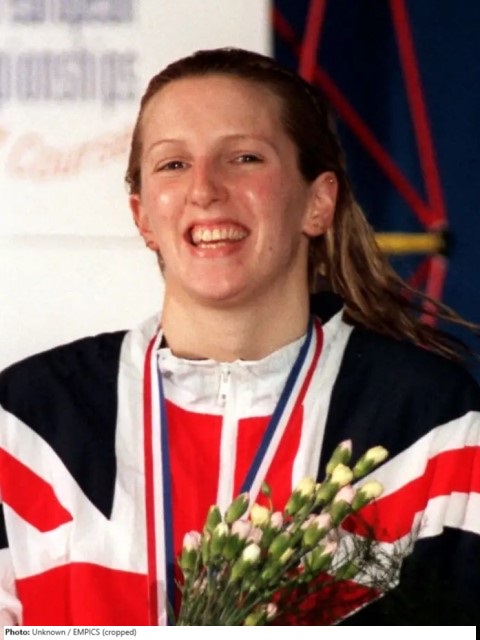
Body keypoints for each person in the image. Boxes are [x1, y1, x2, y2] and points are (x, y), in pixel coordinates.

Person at [0, 47, 479, 626]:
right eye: (173, 164)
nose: (204, 189)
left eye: (245, 157)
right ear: (143, 215)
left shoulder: (432, 426)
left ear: (318, 203)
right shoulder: (28, 423)